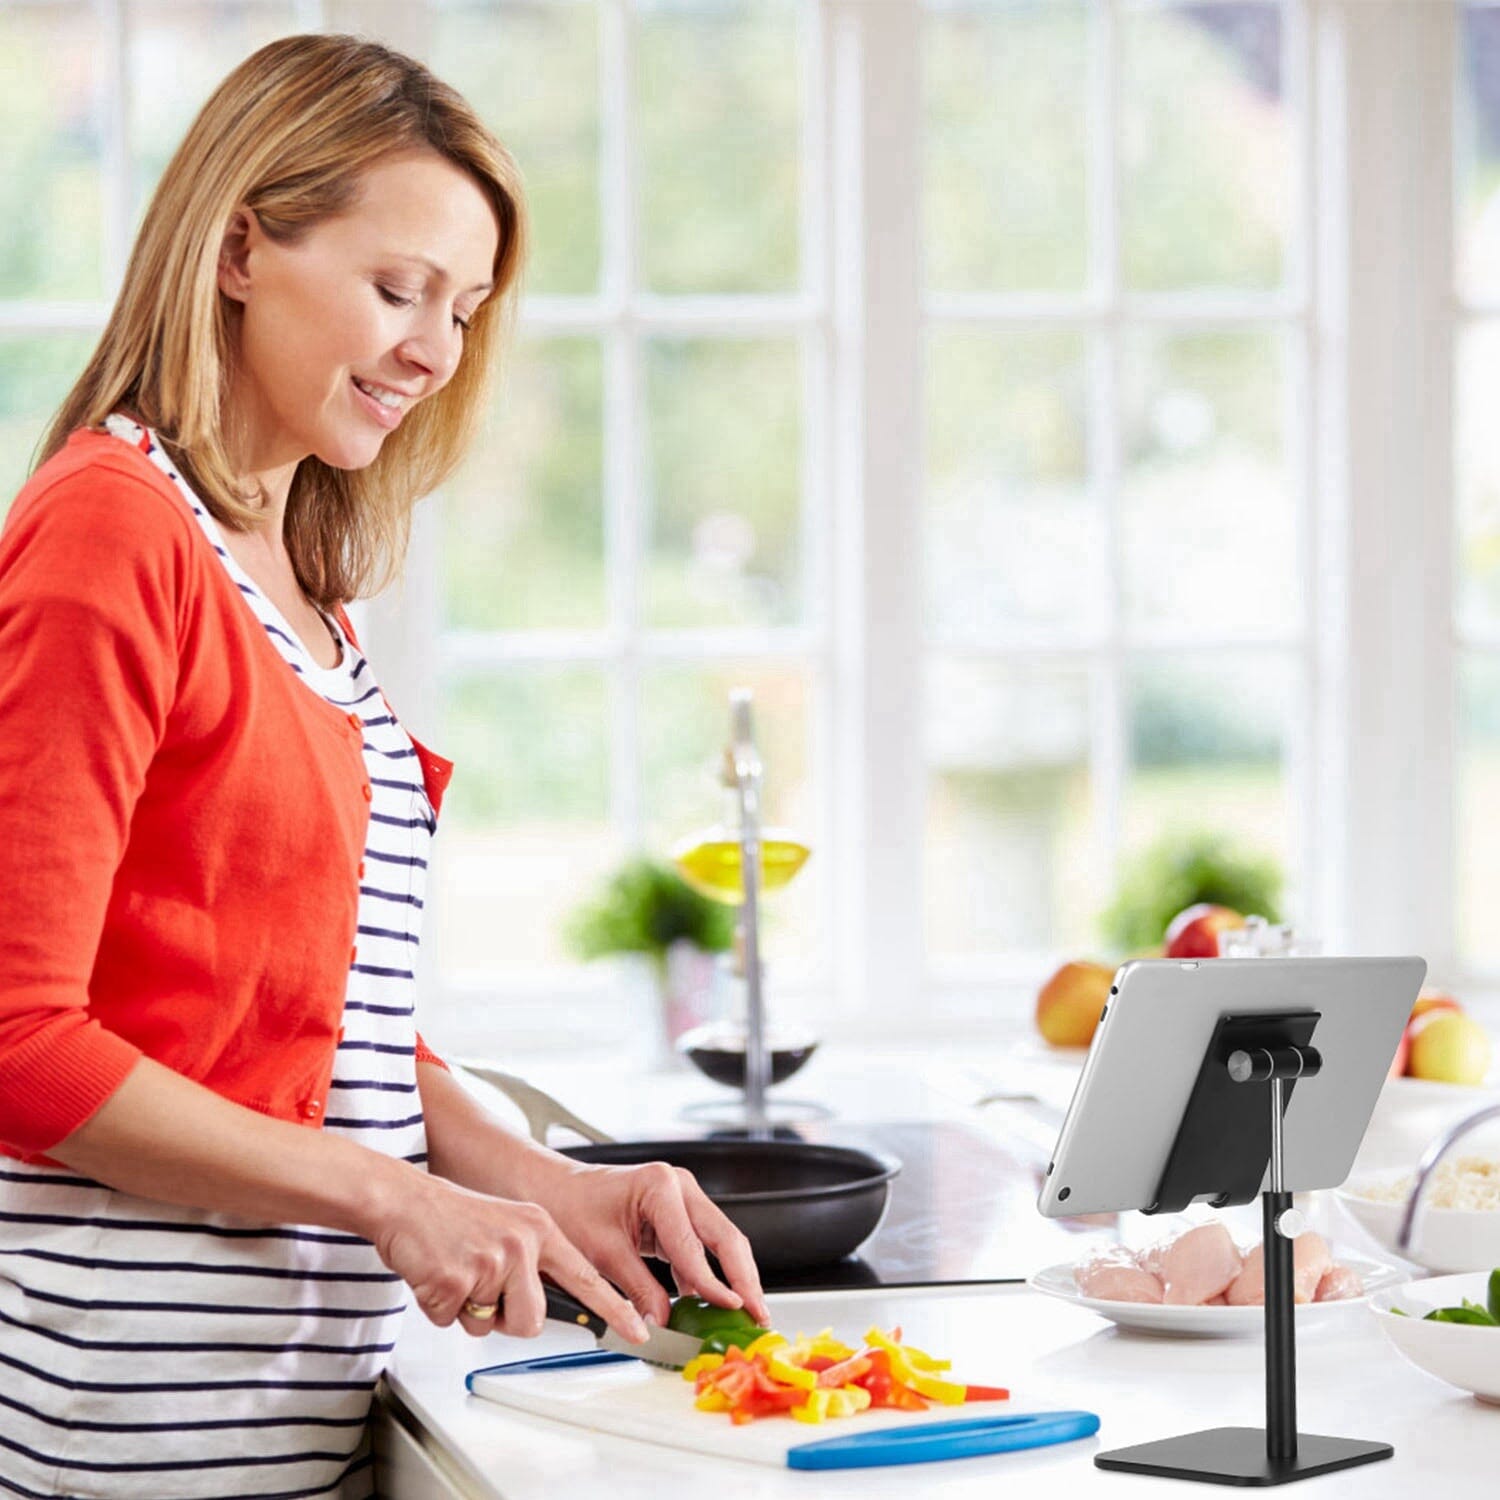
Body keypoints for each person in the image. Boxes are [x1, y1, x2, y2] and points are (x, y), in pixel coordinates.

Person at [0, 34, 768, 1500]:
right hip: (142, 1440)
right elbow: (17, 1038)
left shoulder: (299, 587)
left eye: (466, 308)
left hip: (303, 1413)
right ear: (238, 249)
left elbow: (300, 1027)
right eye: (397, 287)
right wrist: (390, 1196)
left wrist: (543, 1182)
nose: (436, 348)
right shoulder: (115, 530)